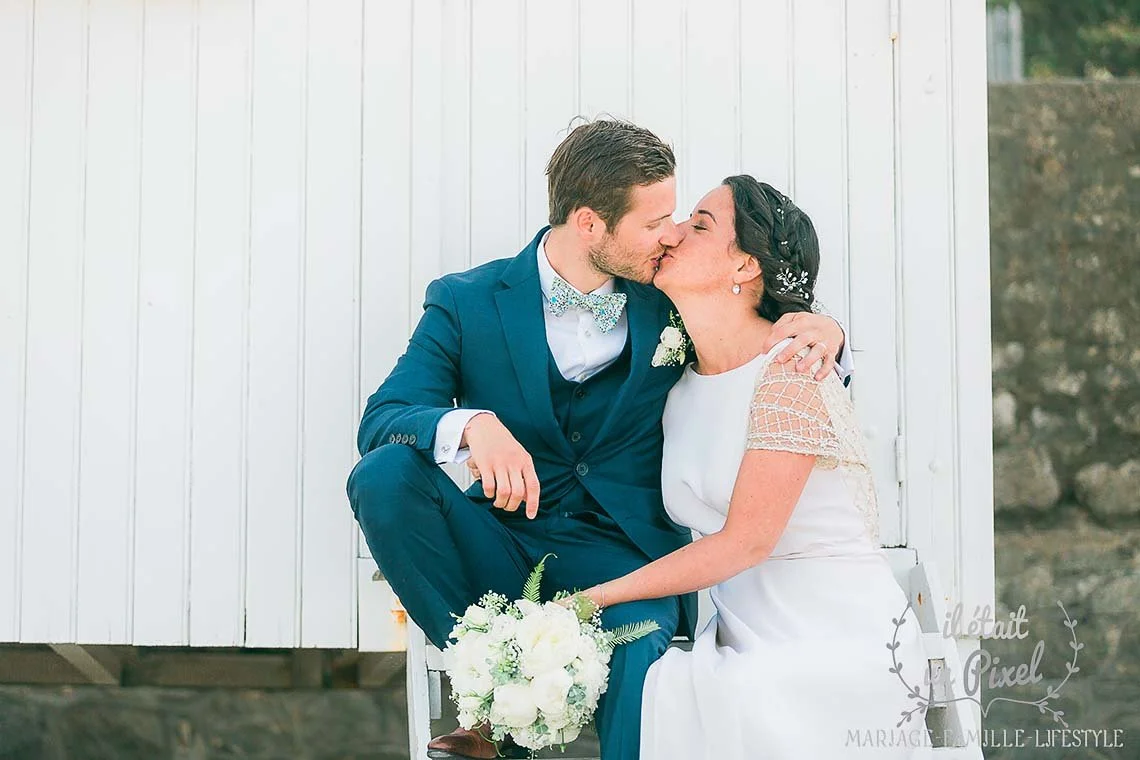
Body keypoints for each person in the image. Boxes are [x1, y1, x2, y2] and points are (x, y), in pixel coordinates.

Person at [345, 120, 852, 760]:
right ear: (590, 223)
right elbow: (385, 415)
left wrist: (829, 331)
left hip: (624, 556)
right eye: (654, 221)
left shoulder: (670, 295)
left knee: (640, 649)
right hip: (503, 541)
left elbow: (756, 334)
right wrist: (471, 424)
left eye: (677, 218)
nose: (670, 236)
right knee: (384, 476)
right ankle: (492, 693)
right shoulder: (466, 301)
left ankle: (515, 721)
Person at [563, 175, 931, 759]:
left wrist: (593, 598)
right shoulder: (676, 379)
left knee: (722, 702)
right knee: (667, 691)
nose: (675, 232)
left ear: (745, 269)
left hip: (830, 637)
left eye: (701, 225)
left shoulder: (793, 369)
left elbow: (745, 543)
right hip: (743, 631)